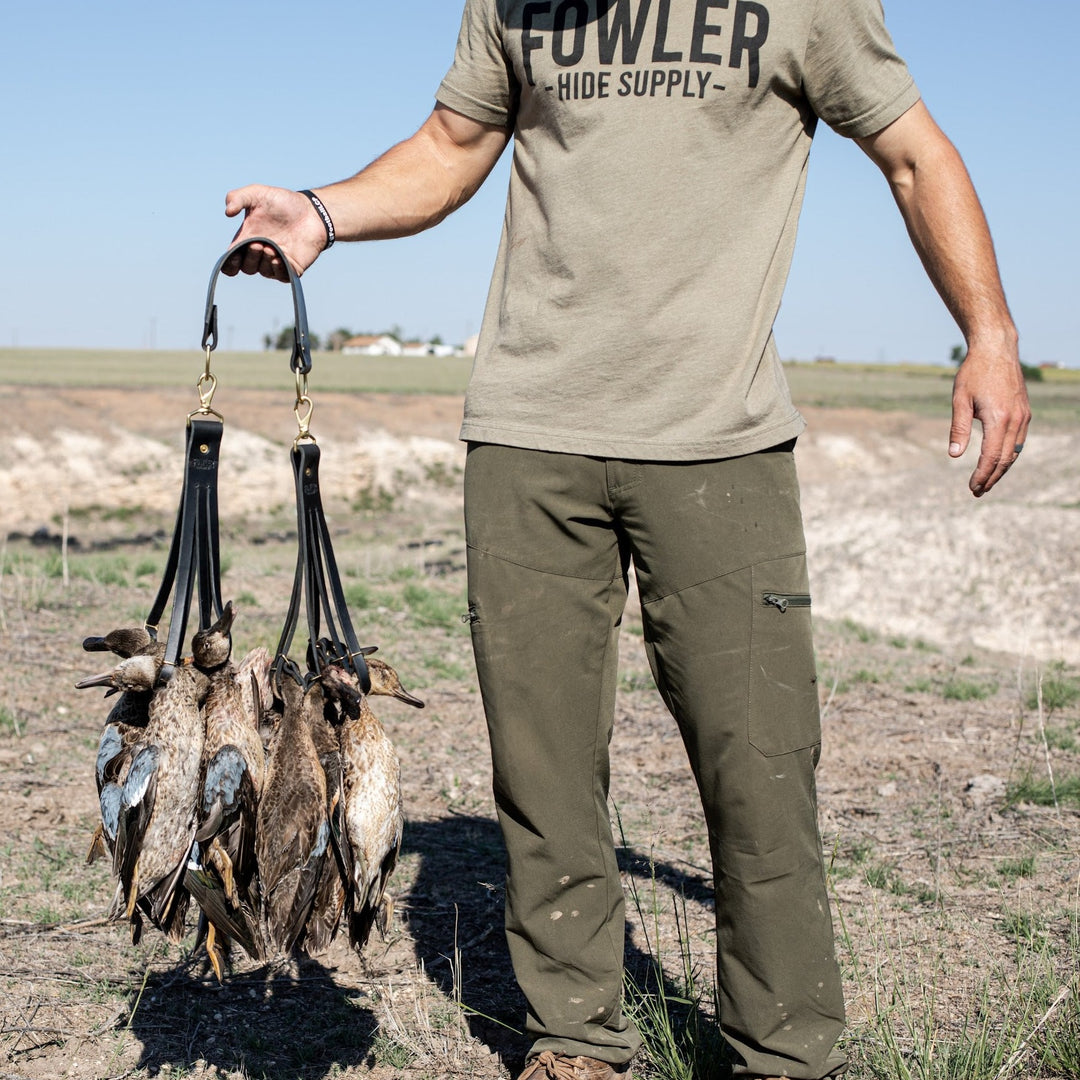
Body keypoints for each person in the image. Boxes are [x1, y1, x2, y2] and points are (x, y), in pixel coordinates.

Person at [223, 1, 1031, 1076]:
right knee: (544, 772)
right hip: (527, 438)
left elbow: (915, 155)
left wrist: (990, 333)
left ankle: (782, 1051)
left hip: (720, 447)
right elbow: (452, 145)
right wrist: (324, 212)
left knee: (759, 771)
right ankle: (575, 1040)